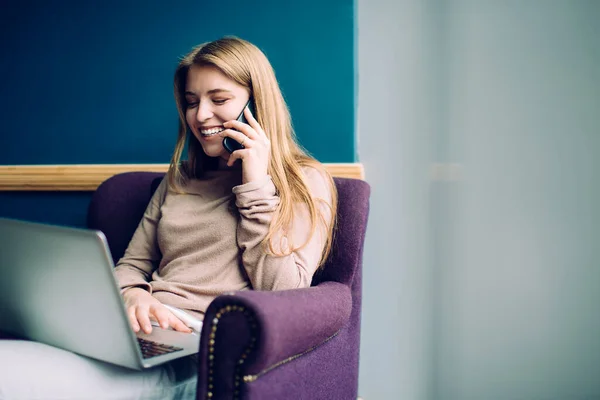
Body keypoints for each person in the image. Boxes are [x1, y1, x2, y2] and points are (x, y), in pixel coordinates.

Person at [0, 36, 337, 399]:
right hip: (142, 334)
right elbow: (131, 265)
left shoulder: (303, 182)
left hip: (203, 351)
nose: (201, 115)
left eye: (219, 99)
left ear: (257, 104)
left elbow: (285, 295)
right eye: (192, 102)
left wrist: (255, 186)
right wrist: (132, 296)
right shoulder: (181, 178)